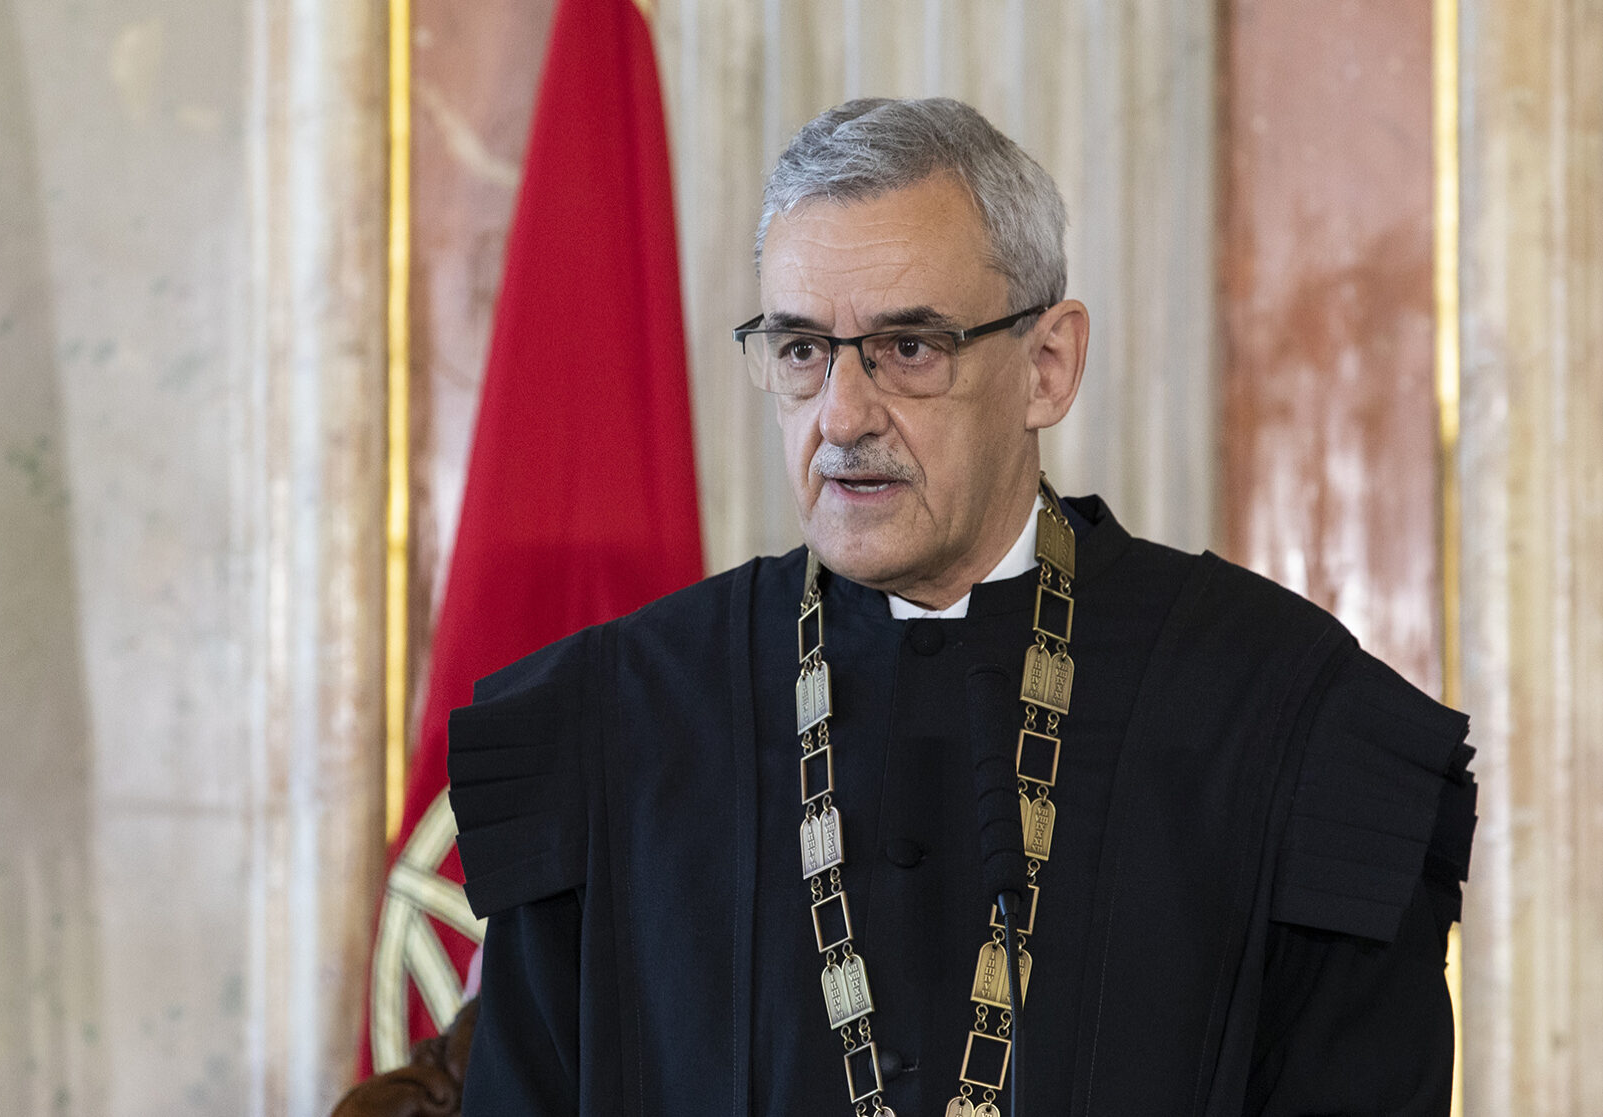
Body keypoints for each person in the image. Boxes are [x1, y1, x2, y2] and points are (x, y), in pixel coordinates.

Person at [446, 97, 1475, 1117]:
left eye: (907, 348)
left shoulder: (1288, 713)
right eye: (800, 350)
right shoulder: (610, 719)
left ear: (1046, 365)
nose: (841, 417)